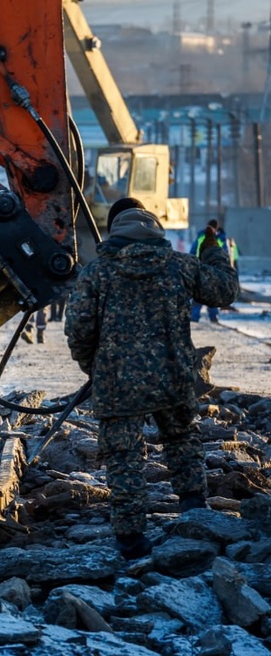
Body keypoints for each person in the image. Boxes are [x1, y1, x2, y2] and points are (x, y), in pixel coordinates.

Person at [64, 198, 238, 560]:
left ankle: (131, 540)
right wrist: (212, 250)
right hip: (173, 377)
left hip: (117, 384)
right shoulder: (179, 266)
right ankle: (195, 512)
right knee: (182, 440)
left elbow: (79, 329)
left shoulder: (97, 273)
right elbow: (225, 290)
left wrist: (93, 367)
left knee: (123, 457)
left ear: (114, 229)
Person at [189, 219, 225, 323]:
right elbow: (193, 251)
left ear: (216, 229)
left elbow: (225, 254)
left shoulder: (220, 239)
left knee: (212, 293)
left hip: (213, 269)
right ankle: (194, 317)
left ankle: (213, 317)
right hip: (201, 268)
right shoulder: (201, 236)